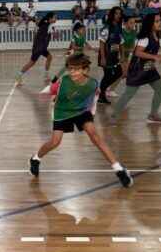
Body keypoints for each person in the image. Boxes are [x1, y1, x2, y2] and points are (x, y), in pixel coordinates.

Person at [29, 53, 133, 187]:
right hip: (62, 111)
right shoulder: (63, 82)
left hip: (81, 110)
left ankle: (118, 169)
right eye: (70, 68)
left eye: (77, 69)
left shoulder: (93, 84)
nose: (73, 72)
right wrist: (44, 95)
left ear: (85, 70)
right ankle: (35, 158)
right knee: (55, 142)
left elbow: (94, 100)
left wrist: (92, 115)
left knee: (95, 136)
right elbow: (49, 89)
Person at [112, 13, 161, 124]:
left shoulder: (154, 35)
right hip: (138, 69)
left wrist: (159, 58)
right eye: (156, 21)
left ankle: (153, 115)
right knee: (129, 93)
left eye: (159, 21)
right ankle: (114, 116)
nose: (159, 23)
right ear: (150, 23)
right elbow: (137, 53)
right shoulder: (145, 37)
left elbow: (151, 52)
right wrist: (155, 57)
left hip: (148, 67)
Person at [16, 12, 57, 85]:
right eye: (55, 17)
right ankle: (19, 75)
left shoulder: (48, 24)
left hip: (42, 47)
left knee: (49, 57)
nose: (56, 19)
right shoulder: (46, 25)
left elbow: (40, 24)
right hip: (38, 47)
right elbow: (44, 32)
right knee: (32, 62)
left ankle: (46, 75)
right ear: (50, 18)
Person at [98, 7, 125, 105]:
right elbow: (101, 43)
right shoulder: (106, 27)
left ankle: (102, 89)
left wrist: (122, 55)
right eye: (116, 13)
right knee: (107, 75)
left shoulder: (119, 27)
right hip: (106, 55)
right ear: (112, 15)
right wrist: (103, 58)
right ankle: (102, 95)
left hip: (114, 56)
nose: (118, 15)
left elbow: (121, 43)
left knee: (119, 72)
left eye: (120, 13)